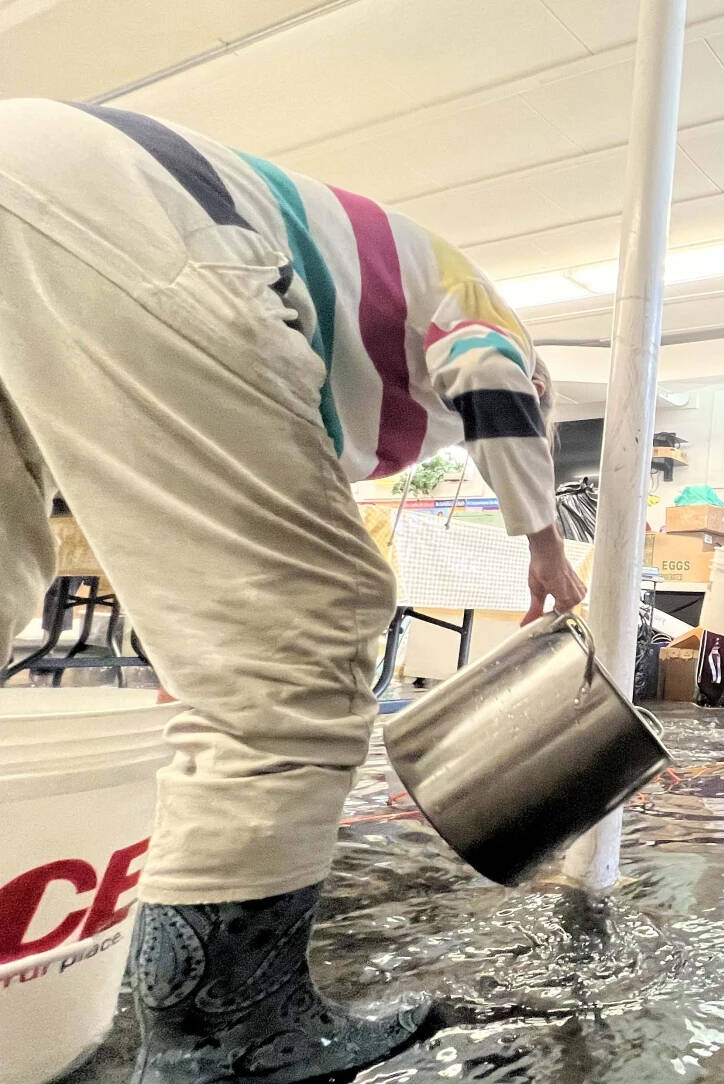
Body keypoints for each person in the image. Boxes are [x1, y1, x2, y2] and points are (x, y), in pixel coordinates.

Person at [0, 99, 585, 1083]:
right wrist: (543, 545)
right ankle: (229, 1033)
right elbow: (491, 377)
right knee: (302, 623)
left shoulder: (353, 329)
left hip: (43, 185)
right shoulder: (492, 325)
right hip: (124, 206)